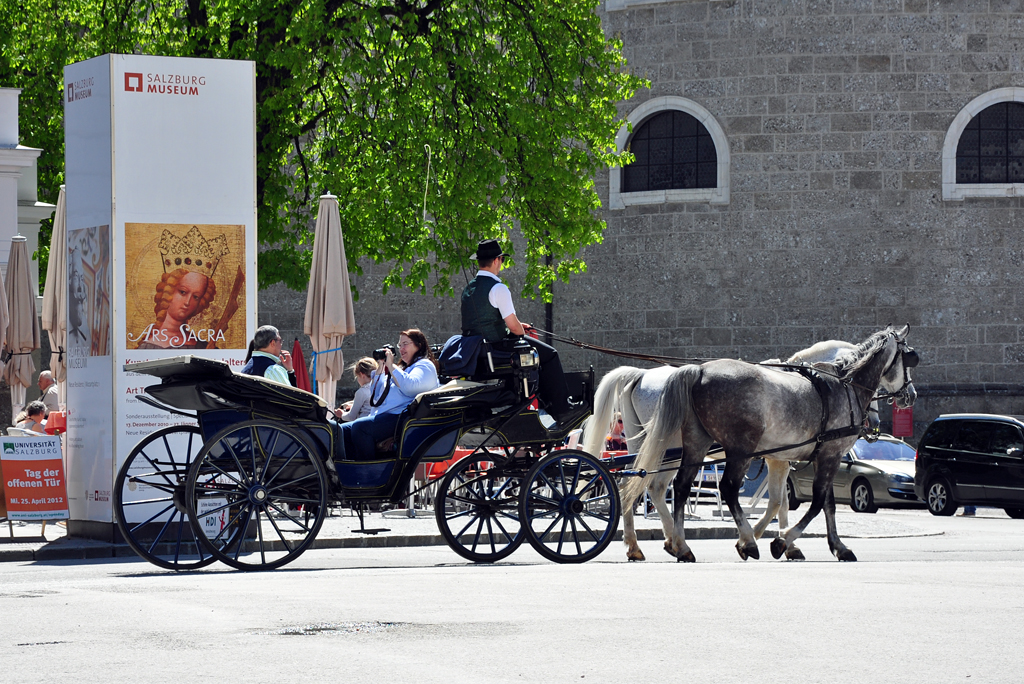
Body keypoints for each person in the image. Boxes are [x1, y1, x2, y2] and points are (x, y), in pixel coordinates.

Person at [461, 238, 575, 420]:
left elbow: (483, 320)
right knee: (550, 354)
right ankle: (562, 408)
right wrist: (521, 331)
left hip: (475, 349)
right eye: (502, 260)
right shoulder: (499, 288)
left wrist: (517, 326)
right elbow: (513, 328)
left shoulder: (468, 289)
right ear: (497, 260)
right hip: (496, 347)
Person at [339, 329, 439, 459]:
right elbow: (376, 396)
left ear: (418, 345)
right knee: (341, 431)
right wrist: (381, 367)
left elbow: (410, 386)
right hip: (387, 415)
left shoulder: (424, 365)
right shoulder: (403, 368)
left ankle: (369, 472)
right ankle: (349, 470)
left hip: (401, 418)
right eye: (399, 345)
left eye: (405, 344)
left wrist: (391, 366)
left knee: (360, 427)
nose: (401, 348)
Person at [135, 268, 217, 349]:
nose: (187, 302)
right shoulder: (144, 348)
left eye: (196, 297)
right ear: (169, 291)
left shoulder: (204, 347)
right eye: (183, 292)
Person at [339, 357, 376, 422]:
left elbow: (351, 417)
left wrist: (341, 414)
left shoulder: (361, 392)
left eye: (357, 377)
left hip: (363, 425)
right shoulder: (379, 386)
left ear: (362, 375)